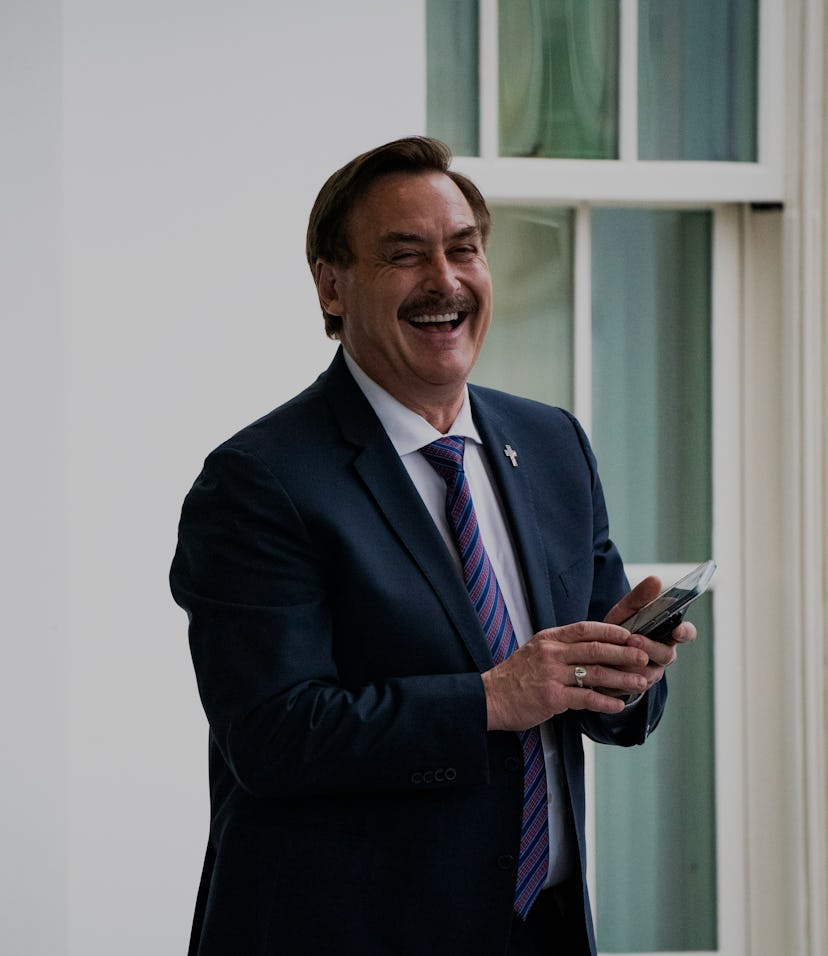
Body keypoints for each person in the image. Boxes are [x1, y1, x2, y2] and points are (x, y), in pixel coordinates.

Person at [170, 135, 696, 956]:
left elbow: (600, 703)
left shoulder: (553, 442)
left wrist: (626, 672)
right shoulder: (259, 481)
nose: (444, 281)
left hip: (542, 930)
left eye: (464, 250)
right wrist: (493, 697)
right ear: (331, 285)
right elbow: (272, 739)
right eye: (404, 255)